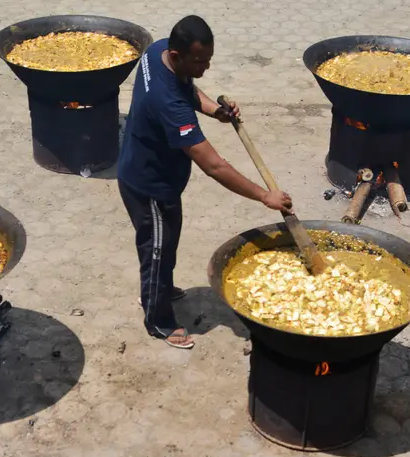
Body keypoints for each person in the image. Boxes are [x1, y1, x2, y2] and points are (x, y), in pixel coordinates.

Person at [118, 15, 292, 349]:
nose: (206, 68)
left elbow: (188, 88)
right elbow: (213, 165)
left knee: (167, 242)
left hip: (163, 177)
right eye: (199, 61)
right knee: (155, 250)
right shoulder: (167, 104)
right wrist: (263, 196)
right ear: (177, 53)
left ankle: (162, 289)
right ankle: (158, 321)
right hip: (147, 185)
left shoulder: (157, 54)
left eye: (208, 60)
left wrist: (216, 111)